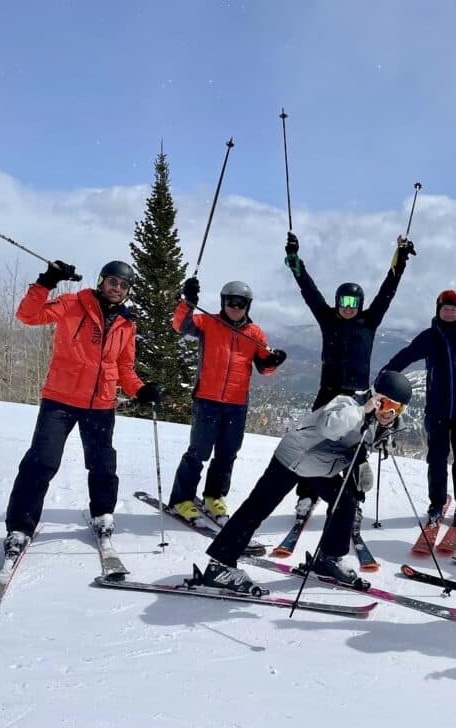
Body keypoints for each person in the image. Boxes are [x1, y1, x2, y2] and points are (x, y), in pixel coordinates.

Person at [200, 370, 414, 592]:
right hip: (295, 456)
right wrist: (363, 411)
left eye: (397, 408)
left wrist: (373, 448)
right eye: (385, 403)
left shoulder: (383, 422)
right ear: (374, 396)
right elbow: (329, 427)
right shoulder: (348, 404)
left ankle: (328, 559)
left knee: (346, 501)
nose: (389, 411)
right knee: (258, 507)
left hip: (321, 466)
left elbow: (364, 439)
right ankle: (219, 566)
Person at [3, 260, 162, 555]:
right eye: (112, 281)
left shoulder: (127, 323)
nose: (117, 289)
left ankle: (102, 513)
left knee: (103, 464)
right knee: (41, 462)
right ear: (101, 281)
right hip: (60, 399)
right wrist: (47, 282)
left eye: (123, 285)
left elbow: (124, 366)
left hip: (101, 403)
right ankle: (20, 527)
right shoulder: (73, 303)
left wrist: (139, 389)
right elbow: (28, 315)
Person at [284, 231, 415, 520]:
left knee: (355, 449)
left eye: (352, 302)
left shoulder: (369, 321)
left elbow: (387, 292)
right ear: (337, 301)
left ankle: (353, 499)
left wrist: (400, 260)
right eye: (343, 301)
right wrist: (295, 262)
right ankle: (306, 496)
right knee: (313, 443)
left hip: (357, 397)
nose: (347, 306)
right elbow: (309, 292)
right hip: (327, 392)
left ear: (359, 303)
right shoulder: (327, 318)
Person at [166, 278, 287, 524]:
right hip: (207, 400)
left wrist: (274, 361)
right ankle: (181, 499)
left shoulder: (255, 333)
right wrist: (188, 302)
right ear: (223, 302)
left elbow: (264, 367)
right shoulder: (208, 323)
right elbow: (180, 325)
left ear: (248, 306)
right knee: (198, 452)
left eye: (241, 303)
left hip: (236, 404)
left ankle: (214, 496)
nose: (235, 307)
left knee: (227, 453)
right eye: (231, 301)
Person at [382, 289, 456, 525]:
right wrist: (385, 378)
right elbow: (404, 357)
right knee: (436, 460)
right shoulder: (429, 337)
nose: (448, 313)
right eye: (444, 309)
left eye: (453, 310)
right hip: (436, 412)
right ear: (438, 310)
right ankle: (436, 504)